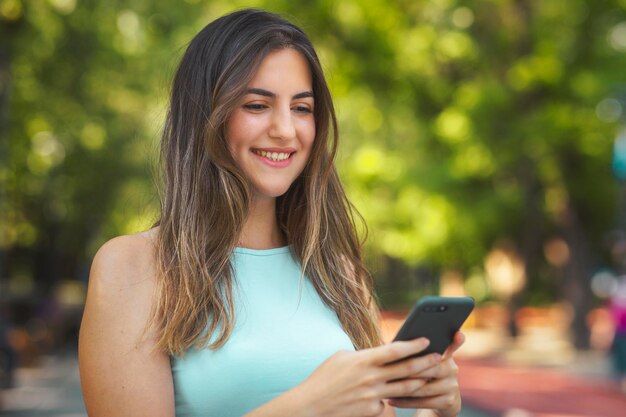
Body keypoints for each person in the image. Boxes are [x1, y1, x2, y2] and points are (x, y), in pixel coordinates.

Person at [78, 9, 465, 417]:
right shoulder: (132, 267)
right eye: (258, 105)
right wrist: (310, 405)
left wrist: (436, 409)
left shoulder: (339, 273)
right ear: (205, 116)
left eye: (301, 108)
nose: (285, 129)